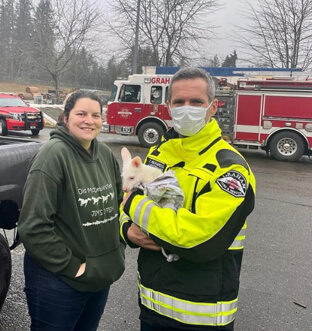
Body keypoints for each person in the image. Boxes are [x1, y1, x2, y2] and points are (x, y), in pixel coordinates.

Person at [120, 67, 256, 330]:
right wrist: (127, 230)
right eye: (179, 102)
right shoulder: (158, 154)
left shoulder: (230, 169)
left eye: (196, 102)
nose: (186, 108)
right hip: (152, 306)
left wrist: (134, 205)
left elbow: (200, 240)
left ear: (213, 107)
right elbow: (125, 200)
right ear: (168, 106)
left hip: (200, 317)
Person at [18, 90, 125, 331]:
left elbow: (117, 207)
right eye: (81, 113)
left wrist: (116, 252)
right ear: (65, 118)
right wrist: (74, 267)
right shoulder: (52, 156)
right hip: (59, 282)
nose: (89, 120)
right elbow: (33, 227)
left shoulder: (105, 155)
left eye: (96, 115)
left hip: (99, 278)